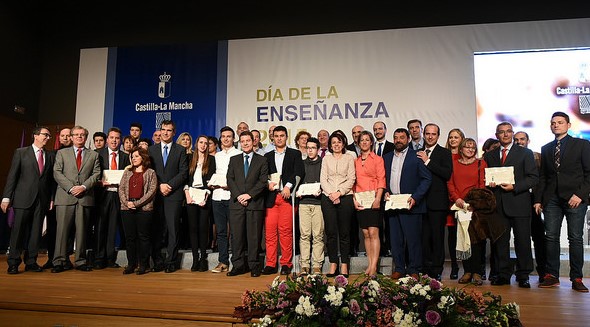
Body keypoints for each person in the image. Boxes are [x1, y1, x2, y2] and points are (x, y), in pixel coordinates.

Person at [535, 111, 590, 292]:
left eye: (559, 122)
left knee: (575, 238)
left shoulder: (582, 145)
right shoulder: (546, 148)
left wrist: (580, 195)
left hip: (575, 198)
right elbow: (543, 177)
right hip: (551, 199)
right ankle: (552, 276)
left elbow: (589, 173)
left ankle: (577, 278)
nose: (556, 125)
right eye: (553, 123)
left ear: (568, 125)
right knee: (550, 237)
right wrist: (538, 200)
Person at [484, 121, 538, 288]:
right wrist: (489, 183)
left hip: (519, 202)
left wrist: (514, 187)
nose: (505, 134)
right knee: (501, 242)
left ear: (512, 133)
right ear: (496, 135)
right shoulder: (490, 156)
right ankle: (503, 274)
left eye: (508, 131)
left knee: (522, 241)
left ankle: (523, 275)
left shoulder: (525, 153)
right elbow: (487, 178)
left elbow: (533, 178)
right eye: (502, 132)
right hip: (498, 205)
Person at [448, 138, 503, 285]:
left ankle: (477, 272)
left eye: (473, 147)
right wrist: (457, 199)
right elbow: (450, 183)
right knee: (463, 239)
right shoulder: (453, 164)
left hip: (476, 208)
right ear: (461, 149)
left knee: (478, 240)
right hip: (459, 207)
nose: (471, 150)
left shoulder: (481, 163)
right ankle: (467, 271)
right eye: (467, 147)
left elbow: (481, 185)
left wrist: (472, 203)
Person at [2, 127, 55, 274]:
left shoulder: (50, 155)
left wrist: (51, 198)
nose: (48, 138)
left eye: (49, 136)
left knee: (35, 233)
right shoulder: (21, 152)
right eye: (45, 135)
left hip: (42, 201)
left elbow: (50, 181)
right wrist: (6, 197)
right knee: (18, 232)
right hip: (23, 199)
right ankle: (13, 263)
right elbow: (12, 176)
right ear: (36, 136)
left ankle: (31, 262)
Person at [51, 126, 101, 273]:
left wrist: (84, 187)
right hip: (65, 197)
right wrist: (71, 188)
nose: (80, 137)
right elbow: (57, 172)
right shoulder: (61, 153)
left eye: (82, 135)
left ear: (86, 138)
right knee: (62, 232)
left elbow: (96, 174)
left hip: (84, 197)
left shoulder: (93, 155)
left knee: (82, 231)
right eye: (76, 135)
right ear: (71, 137)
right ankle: (59, 261)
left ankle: (80, 261)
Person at [384, 128, 431, 279]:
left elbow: (426, 179)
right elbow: (383, 179)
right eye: (396, 137)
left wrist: (416, 197)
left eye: (402, 138)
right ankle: (399, 268)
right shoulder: (386, 157)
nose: (398, 140)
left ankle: (414, 269)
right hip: (393, 205)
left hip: (411, 205)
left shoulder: (416, 156)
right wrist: (384, 190)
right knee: (395, 240)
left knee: (413, 240)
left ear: (408, 139)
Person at [262, 126, 305, 275]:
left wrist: (288, 186)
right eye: (276, 136)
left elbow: (299, 172)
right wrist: (267, 183)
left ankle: (286, 263)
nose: (279, 138)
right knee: (270, 233)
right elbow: (262, 175)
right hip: (271, 199)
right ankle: (270, 263)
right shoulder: (266, 156)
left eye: (282, 135)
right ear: (272, 138)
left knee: (286, 232)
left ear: (286, 137)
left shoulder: (295, 154)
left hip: (287, 198)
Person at [148, 120, 189, 273]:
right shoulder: (152, 150)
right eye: (163, 129)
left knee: (173, 229)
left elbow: (183, 172)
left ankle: (171, 261)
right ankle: (157, 261)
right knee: (156, 229)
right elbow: (150, 172)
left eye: (169, 130)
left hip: (174, 194)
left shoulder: (180, 150)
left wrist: (169, 186)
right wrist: (159, 185)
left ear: (174, 132)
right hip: (156, 194)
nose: (165, 132)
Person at [226, 131, 268, 277]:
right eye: (242, 141)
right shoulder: (234, 159)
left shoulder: (262, 160)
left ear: (253, 141)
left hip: (254, 204)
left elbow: (263, 181)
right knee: (236, 236)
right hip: (237, 204)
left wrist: (249, 195)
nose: (245, 143)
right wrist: (239, 196)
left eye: (248, 140)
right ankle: (237, 265)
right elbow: (230, 179)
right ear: (239, 142)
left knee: (254, 237)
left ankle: (254, 265)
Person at [419, 123, 453, 281]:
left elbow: (446, 174)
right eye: (427, 133)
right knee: (423, 238)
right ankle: (424, 268)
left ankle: (437, 270)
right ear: (423, 134)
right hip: (420, 202)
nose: (430, 136)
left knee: (437, 238)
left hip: (437, 202)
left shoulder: (444, 153)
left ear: (438, 136)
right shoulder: (417, 152)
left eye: (433, 134)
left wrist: (428, 161)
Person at [320, 131, 356, 277]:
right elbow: (323, 179)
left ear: (343, 143)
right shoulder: (326, 159)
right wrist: (331, 194)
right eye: (334, 142)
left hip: (345, 197)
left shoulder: (349, 158)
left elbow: (351, 179)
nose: (336, 145)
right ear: (330, 144)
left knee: (345, 233)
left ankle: (344, 265)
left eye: (339, 142)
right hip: (328, 198)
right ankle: (333, 263)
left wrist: (339, 192)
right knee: (331, 233)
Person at [94, 127, 130, 269]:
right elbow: (92, 175)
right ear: (107, 139)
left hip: (117, 195)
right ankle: (98, 258)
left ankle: (110, 258)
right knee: (100, 227)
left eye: (117, 138)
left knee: (112, 228)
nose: (114, 140)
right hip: (102, 194)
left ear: (120, 140)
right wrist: (99, 182)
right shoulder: (97, 154)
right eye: (112, 138)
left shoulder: (126, 156)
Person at [514, 130, 547, 283]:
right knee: (522, 238)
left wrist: (538, 200)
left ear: (528, 140)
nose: (519, 142)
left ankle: (543, 271)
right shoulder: (512, 156)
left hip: (535, 202)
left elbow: (540, 180)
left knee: (539, 236)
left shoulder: (537, 157)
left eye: (522, 139)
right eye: (517, 139)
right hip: (519, 200)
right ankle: (523, 273)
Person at [119, 147, 157, 275]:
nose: (133, 158)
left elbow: (151, 192)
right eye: (132, 156)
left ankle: (143, 265)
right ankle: (131, 264)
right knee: (130, 238)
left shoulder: (150, 172)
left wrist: (136, 203)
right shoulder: (127, 172)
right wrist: (127, 203)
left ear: (143, 157)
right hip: (127, 208)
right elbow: (121, 189)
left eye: (136, 156)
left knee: (143, 237)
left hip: (144, 209)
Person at [353, 130, 385, 276]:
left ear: (371, 142)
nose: (364, 142)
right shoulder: (355, 161)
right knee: (365, 233)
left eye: (367, 140)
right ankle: (369, 264)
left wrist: (378, 199)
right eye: (362, 140)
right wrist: (354, 199)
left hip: (373, 199)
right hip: (360, 200)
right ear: (358, 144)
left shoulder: (378, 159)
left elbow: (381, 179)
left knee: (374, 232)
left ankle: (373, 266)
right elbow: (353, 182)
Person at [210, 126, 242, 273]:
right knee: (221, 231)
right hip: (217, 196)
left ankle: (236, 261)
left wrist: (230, 186)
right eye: (223, 136)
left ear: (233, 138)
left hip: (232, 197)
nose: (226, 139)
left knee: (235, 232)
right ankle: (223, 262)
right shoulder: (217, 156)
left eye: (229, 136)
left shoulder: (239, 154)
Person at [184, 135, 216, 272]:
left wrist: (206, 197)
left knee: (203, 228)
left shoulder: (212, 159)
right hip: (191, 195)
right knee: (192, 228)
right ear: (197, 144)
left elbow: (211, 180)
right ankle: (195, 259)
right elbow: (185, 178)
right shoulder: (189, 158)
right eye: (201, 142)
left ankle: (203, 258)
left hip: (204, 196)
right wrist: (187, 195)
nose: (203, 145)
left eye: (206, 143)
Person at [297, 137, 324, 276]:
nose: (310, 150)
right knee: (305, 235)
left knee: (318, 235)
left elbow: (326, 181)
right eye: (308, 148)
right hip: (304, 203)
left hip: (318, 203)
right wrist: (298, 191)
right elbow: (297, 182)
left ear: (318, 149)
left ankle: (317, 265)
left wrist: (322, 189)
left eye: (313, 148)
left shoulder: (324, 164)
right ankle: (305, 265)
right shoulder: (301, 164)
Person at [444, 127, 465, 279]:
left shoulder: (465, 156)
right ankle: (454, 266)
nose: (453, 139)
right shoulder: (444, 155)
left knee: (464, 233)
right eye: (451, 137)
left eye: (456, 137)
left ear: (461, 139)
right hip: (446, 199)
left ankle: (468, 267)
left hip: (461, 199)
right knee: (452, 234)